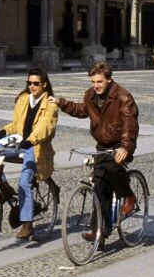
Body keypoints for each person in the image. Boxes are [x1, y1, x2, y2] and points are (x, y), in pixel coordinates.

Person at [49, 62, 139, 240]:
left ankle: (129, 197)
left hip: (120, 144)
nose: (95, 86)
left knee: (113, 168)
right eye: (93, 82)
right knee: (99, 185)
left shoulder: (123, 97)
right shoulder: (90, 95)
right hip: (102, 146)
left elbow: (130, 123)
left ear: (109, 80)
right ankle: (99, 230)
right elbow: (82, 110)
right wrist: (61, 102)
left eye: (99, 81)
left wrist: (126, 147)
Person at [0, 68, 58, 240]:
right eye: (29, 83)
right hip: (18, 143)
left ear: (44, 85)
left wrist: (31, 140)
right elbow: (16, 124)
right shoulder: (23, 99)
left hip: (35, 147)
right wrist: (3, 131)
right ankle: (5, 188)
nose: (32, 86)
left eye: (36, 83)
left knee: (24, 182)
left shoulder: (50, 104)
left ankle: (27, 224)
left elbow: (46, 126)